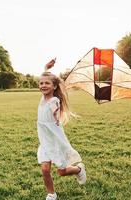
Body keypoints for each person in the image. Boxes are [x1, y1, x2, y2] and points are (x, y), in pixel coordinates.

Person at [37, 58, 86, 200]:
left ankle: (79, 169)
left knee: (62, 171)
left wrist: (55, 114)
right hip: (45, 142)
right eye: (41, 83)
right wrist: (46, 67)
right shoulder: (42, 98)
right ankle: (51, 194)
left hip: (55, 141)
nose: (43, 85)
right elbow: (46, 77)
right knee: (45, 169)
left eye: (47, 83)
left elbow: (55, 108)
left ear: (54, 87)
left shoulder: (54, 100)